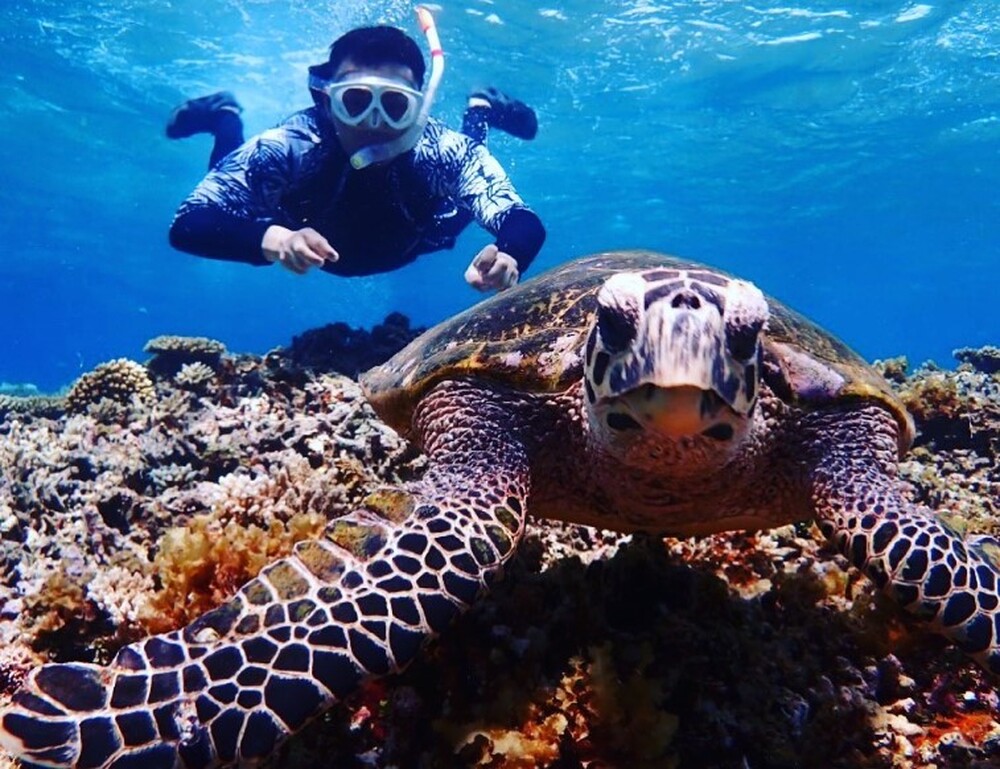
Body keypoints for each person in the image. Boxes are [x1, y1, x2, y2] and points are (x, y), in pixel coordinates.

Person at [166, 16, 545, 293]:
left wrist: (510, 254)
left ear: (418, 109)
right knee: (239, 190)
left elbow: (519, 218)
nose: (373, 123)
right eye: (356, 101)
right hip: (298, 226)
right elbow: (190, 222)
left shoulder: (440, 149)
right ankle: (225, 117)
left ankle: (480, 109)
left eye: (394, 105)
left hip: (424, 232)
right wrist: (277, 240)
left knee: (464, 194)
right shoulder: (294, 143)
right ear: (326, 101)